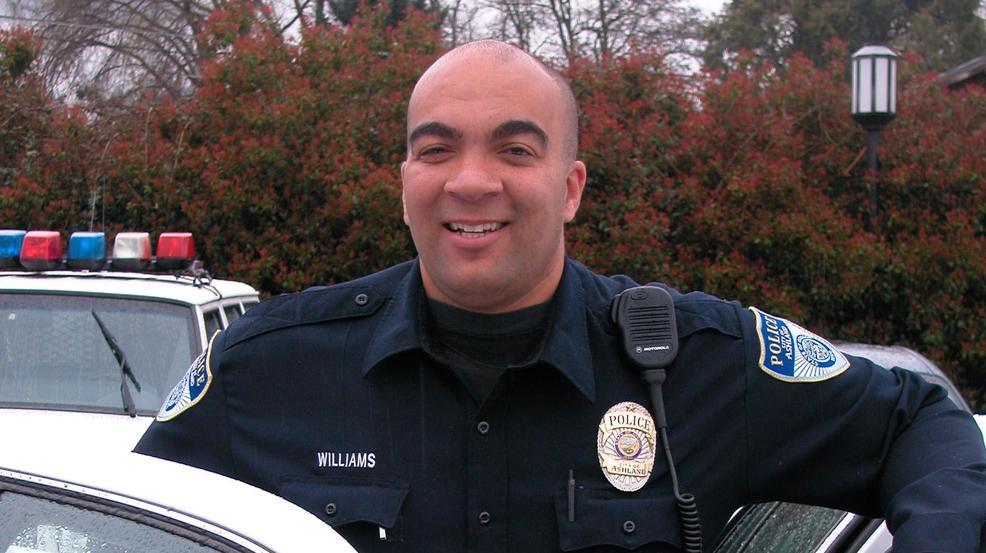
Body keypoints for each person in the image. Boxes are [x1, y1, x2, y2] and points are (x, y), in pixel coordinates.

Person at [135, 40, 986, 552]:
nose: (471, 181)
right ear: (405, 181)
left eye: (515, 150)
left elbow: (921, 423)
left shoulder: (697, 365)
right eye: (437, 149)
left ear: (571, 186)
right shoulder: (266, 369)